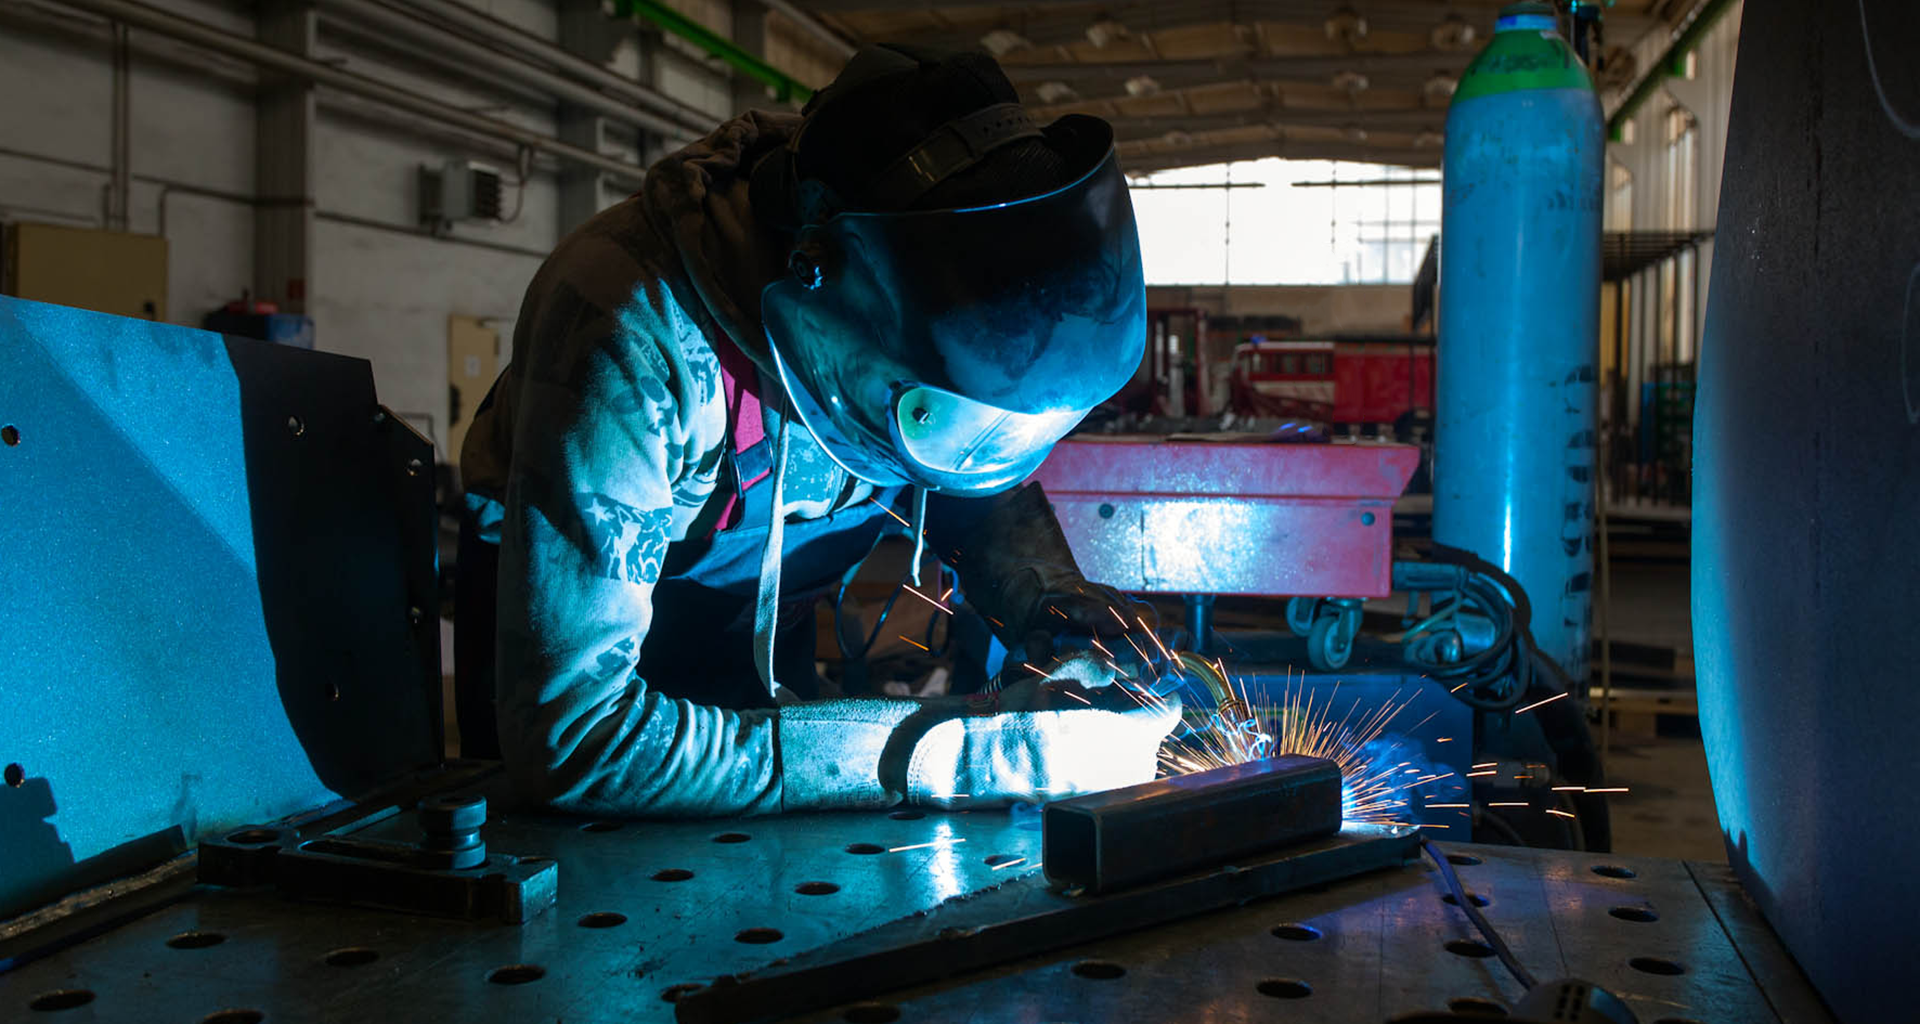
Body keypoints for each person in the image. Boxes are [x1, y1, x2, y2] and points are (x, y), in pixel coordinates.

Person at [456, 43, 1178, 817]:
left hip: (766, 651)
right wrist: (955, 755)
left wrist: (1057, 610)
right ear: (826, 286)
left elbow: (972, 479)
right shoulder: (629, 322)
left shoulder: (923, 315)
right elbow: (574, 741)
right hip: (586, 687)